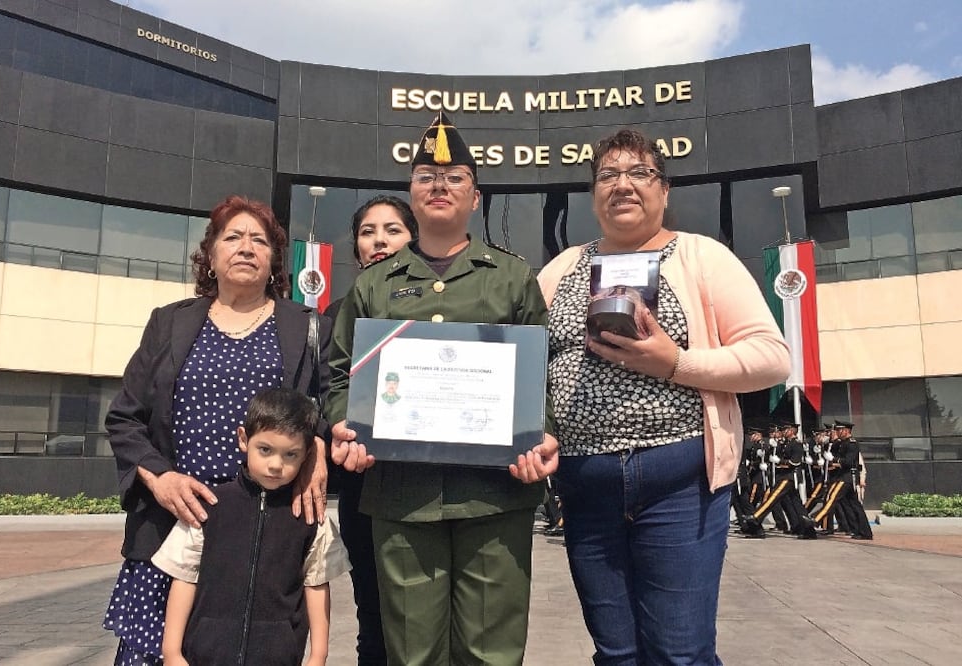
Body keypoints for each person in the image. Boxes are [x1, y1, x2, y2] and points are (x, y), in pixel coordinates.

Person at [537, 127, 790, 664]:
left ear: (664, 190)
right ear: (593, 193)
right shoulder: (561, 269)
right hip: (586, 487)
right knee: (616, 651)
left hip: (679, 481)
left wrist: (675, 363)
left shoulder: (701, 256)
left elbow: (772, 356)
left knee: (679, 652)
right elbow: (528, 365)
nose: (622, 185)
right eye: (608, 175)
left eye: (639, 173)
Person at [326, 111, 559, 666]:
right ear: (412, 193)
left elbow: (543, 372)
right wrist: (344, 421)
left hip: (495, 496)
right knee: (413, 652)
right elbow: (340, 374)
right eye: (427, 175)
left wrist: (543, 433)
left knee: (491, 651)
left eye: (455, 177)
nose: (440, 185)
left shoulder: (511, 277)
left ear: (475, 198)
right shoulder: (374, 286)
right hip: (403, 497)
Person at [102, 195, 332, 665]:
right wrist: (158, 478)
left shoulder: (306, 328)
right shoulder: (170, 323)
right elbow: (125, 417)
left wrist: (318, 452)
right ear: (210, 254)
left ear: (274, 260)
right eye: (233, 237)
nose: (246, 247)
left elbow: (328, 407)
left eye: (259, 240)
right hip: (174, 526)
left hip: (263, 539)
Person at [152, 388, 351, 666]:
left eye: (290, 455)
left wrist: (318, 655)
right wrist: (172, 652)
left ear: (307, 455)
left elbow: (317, 584)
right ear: (244, 439)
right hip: (206, 655)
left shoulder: (309, 517)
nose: (276, 465)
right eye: (265, 450)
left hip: (278, 657)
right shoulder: (209, 506)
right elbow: (184, 576)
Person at [322, 194, 418, 666]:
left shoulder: (448, 304)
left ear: (413, 238)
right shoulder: (338, 312)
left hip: (433, 483)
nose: (379, 240)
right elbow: (329, 387)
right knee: (375, 619)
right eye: (367, 232)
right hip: (366, 483)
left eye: (393, 229)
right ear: (357, 247)